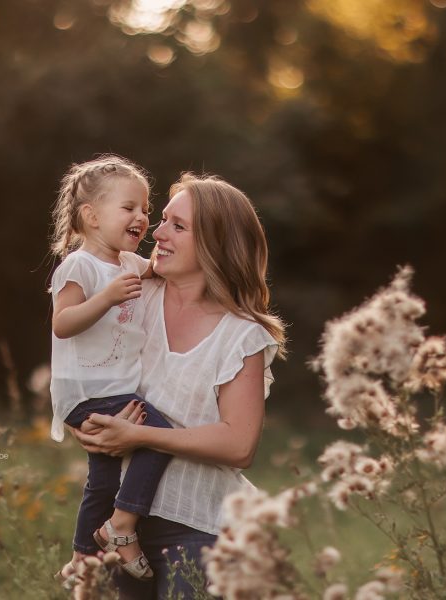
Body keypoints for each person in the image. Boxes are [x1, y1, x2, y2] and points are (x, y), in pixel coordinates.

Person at [71, 173, 287, 599]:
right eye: (163, 219)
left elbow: (239, 444)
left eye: (178, 226)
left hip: (199, 530)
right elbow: (86, 361)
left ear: (215, 243)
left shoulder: (241, 335)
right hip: (113, 525)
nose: (158, 231)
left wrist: (136, 435)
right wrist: (86, 422)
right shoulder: (132, 296)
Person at [48, 155, 174, 581]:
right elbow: (62, 324)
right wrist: (106, 298)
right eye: (129, 208)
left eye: (146, 209)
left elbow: (160, 270)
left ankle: (82, 556)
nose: (141, 217)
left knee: (102, 477)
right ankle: (122, 526)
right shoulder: (79, 265)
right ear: (91, 216)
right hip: (88, 389)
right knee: (159, 436)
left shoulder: (128, 264)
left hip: (113, 387)